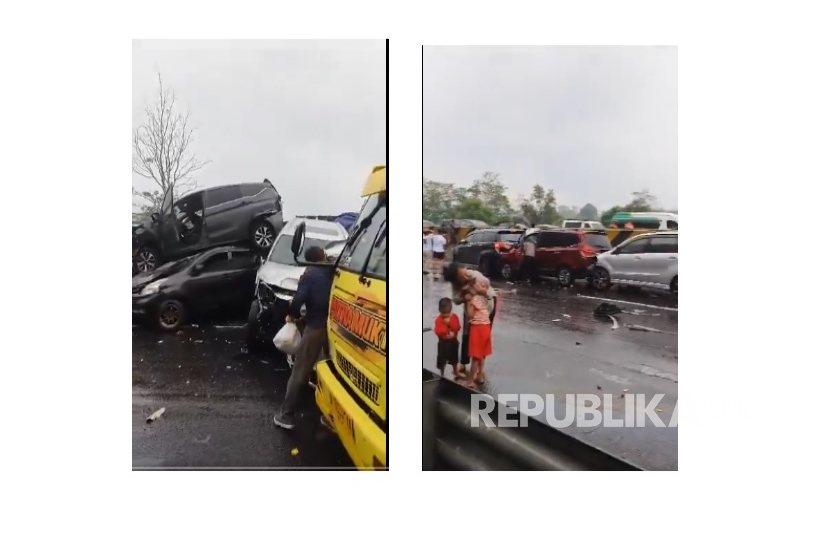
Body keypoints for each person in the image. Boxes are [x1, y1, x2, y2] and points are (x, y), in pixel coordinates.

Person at [273, 245, 333, 430]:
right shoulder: (334, 271)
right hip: (337, 328)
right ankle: (332, 416)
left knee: (300, 371)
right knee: (333, 372)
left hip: (316, 328)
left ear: (308, 260)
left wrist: (291, 314)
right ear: (322, 256)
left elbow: (298, 301)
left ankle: (286, 415)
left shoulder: (309, 274)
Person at [442, 262, 499, 380]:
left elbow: (486, 283)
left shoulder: (473, 275)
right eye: (460, 276)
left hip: (487, 307)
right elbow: (456, 300)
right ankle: (463, 363)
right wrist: (463, 295)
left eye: (462, 271)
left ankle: (480, 370)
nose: (463, 275)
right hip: (471, 309)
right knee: (467, 336)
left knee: (483, 337)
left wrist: (473, 283)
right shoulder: (456, 284)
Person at [466, 276, 493, 385]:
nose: (475, 285)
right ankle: (480, 376)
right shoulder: (486, 298)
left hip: (478, 328)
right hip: (486, 327)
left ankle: (470, 381)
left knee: (476, 356)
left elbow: (471, 315)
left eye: (478, 284)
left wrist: (468, 303)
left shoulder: (475, 299)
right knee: (481, 354)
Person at [434, 297, 461, 378]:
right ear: (439, 310)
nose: (446, 315)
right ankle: (442, 373)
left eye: (447, 313)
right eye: (444, 313)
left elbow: (458, 327)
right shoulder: (439, 320)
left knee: (454, 359)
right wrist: (445, 329)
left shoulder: (454, 317)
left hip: (453, 341)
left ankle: (455, 371)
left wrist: (450, 324)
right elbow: (437, 331)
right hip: (443, 343)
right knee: (442, 360)